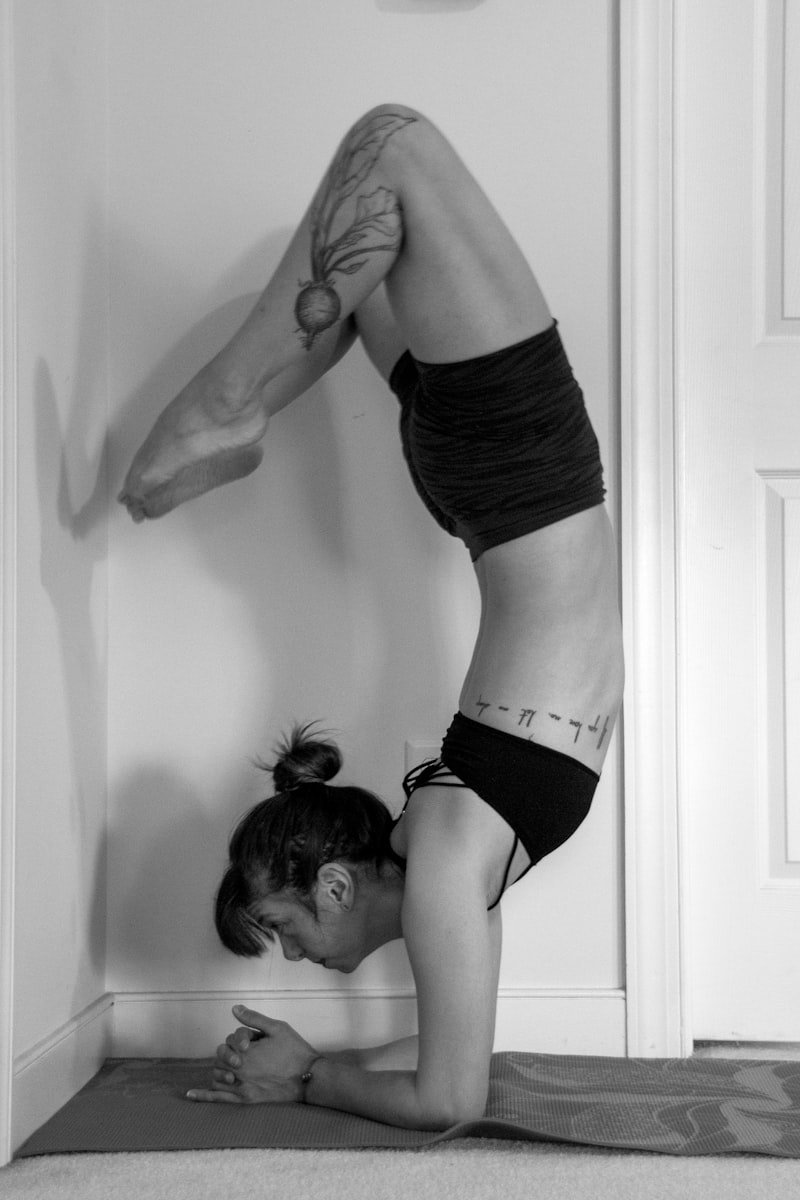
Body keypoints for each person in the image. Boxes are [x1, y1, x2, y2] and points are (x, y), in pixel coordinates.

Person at [119, 105, 624, 1131]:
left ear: (337, 885)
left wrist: (307, 1076)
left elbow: (442, 1095)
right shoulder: (442, 862)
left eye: (285, 931)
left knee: (391, 149)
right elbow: (452, 1079)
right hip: (508, 497)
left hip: (518, 490)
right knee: (380, 207)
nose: (299, 957)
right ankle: (234, 408)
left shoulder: (444, 857)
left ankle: (224, 406)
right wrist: (313, 1067)